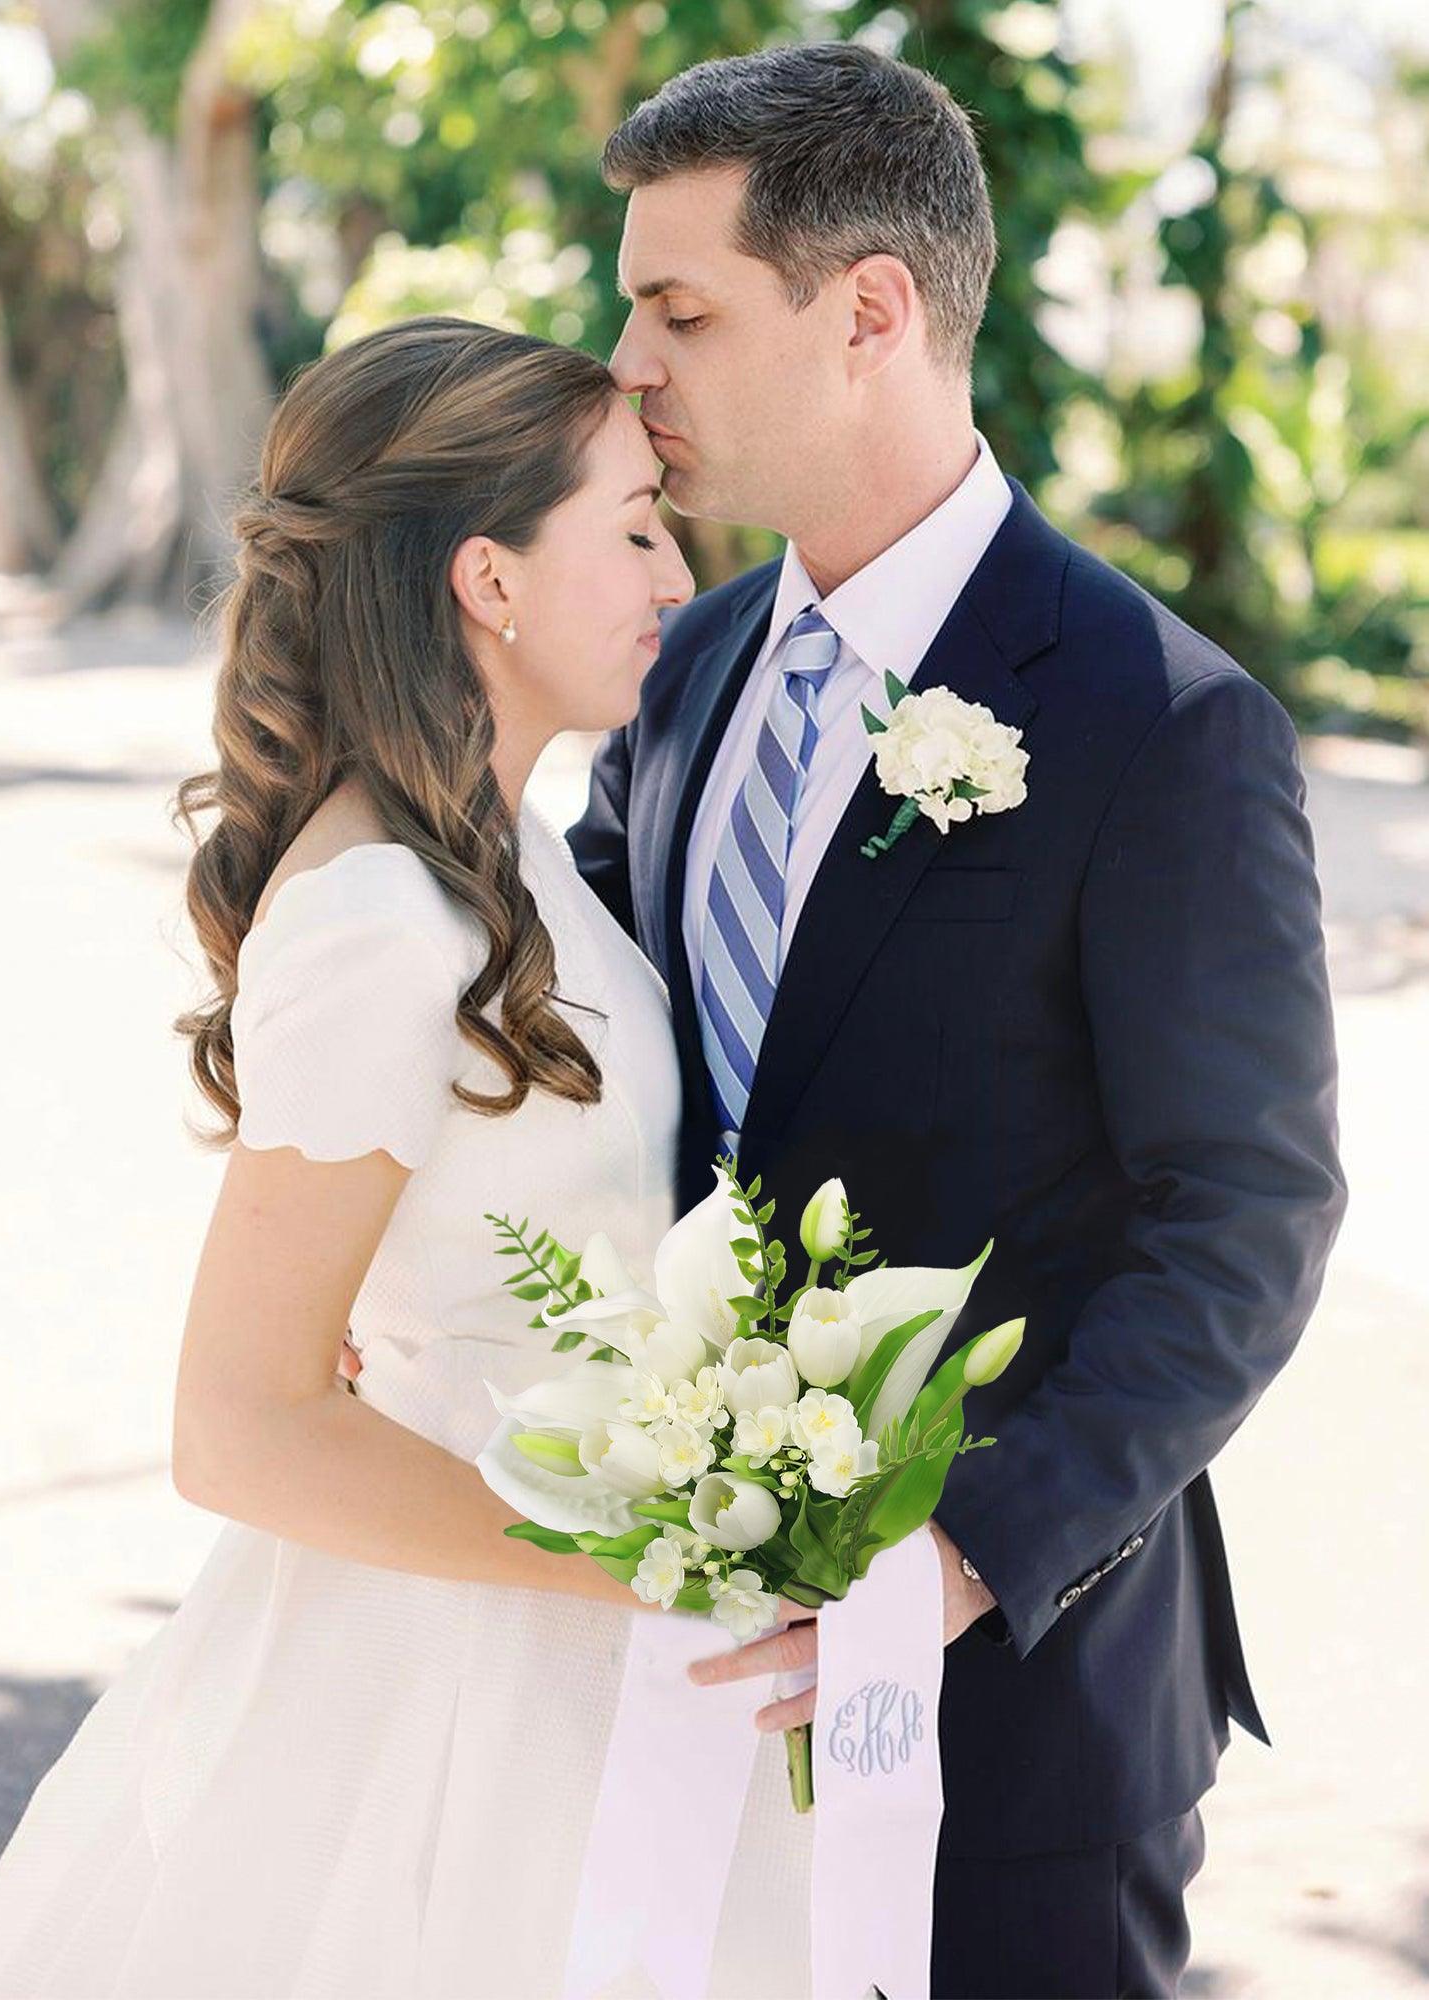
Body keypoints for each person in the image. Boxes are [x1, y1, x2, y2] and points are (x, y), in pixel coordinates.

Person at [559, 42, 1348, 2000]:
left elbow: (1243, 1222)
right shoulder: (694, 665)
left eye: (678, 309)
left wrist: (965, 1555)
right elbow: (586, 1019)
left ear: (873, 313)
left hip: (1012, 1703)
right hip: (674, 1673)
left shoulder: (1158, 721)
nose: (628, 365)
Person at [0, 316, 819, 1999]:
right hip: (451, 1663)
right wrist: (640, 1550)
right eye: (632, 522)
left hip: (580, 1629)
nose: (674, 567)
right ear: (487, 579)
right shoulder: (374, 914)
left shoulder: (508, 848)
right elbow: (239, 1422)